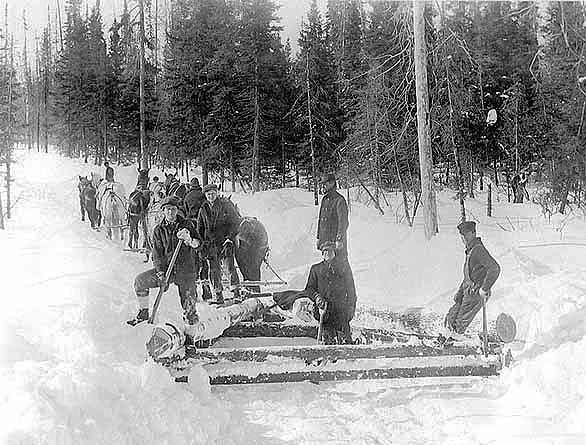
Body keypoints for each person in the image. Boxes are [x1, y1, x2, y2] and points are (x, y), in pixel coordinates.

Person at [131, 196, 201, 323]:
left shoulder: (186, 225)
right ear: (163, 211)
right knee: (140, 281)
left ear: (177, 210)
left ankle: (191, 337)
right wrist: (160, 273)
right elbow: (157, 254)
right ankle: (143, 313)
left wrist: (189, 239)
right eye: (167, 209)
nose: (170, 212)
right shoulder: (159, 229)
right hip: (167, 270)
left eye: (173, 209)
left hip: (186, 272)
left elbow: (199, 245)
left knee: (189, 306)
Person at [444, 221, 501, 339]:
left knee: (460, 324)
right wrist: (460, 293)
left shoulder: (478, 250)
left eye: (465, 235)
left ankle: (459, 344)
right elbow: (469, 274)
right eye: (462, 236)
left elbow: (494, 268)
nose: (463, 238)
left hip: (475, 293)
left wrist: (484, 289)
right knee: (451, 316)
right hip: (467, 290)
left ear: (472, 234)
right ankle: (447, 339)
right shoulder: (471, 250)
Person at [304, 241, 356, 344]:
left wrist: (351, 307)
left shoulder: (344, 268)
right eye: (325, 251)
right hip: (324, 312)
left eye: (330, 251)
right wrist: (317, 297)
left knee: (346, 342)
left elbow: (351, 290)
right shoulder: (316, 269)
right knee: (327, 343)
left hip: (341, 312)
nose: (327, 253)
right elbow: (309, 289)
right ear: (322, 254)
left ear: (334, 253)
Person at [197, 183, 241, 303]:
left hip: (224, 242)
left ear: (216, 193)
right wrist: (202, 244)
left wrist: (229, 239)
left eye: (212, 193)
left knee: (229, 267)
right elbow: (200, 228)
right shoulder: (203, 208)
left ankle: (236, 292)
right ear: (205, 195)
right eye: (208, 194)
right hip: (210, 244)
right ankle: (218, 294)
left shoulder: (225, 205)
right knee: (213, 269)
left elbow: (235, 222)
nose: (210, 196)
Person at [183, 178, 211, 299]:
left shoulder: (187, 196)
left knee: (192, 261)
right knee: (204, 259)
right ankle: (206, 290)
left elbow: (184, 211)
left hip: (191, 227)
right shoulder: (203, 195)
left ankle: (193, 291)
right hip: (203, 226)